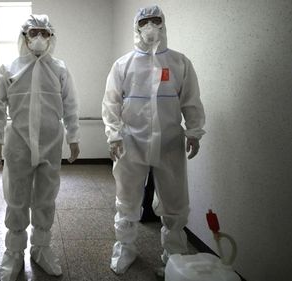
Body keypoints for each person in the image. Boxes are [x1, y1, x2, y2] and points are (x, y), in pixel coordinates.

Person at [101, 5, 206, 274]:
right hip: (130, 142)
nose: (150, 26)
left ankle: (174, 253)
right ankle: (125, 248)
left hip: (170, 142)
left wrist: (194, 131)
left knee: (174, 199)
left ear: (163, 24)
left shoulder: (180, 62)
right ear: (136, 26)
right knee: (127, 198)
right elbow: (111, 102)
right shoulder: (123, 64)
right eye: (144, 21)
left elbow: (191, 100)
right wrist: (113, 135)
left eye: (155, 20)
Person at [0, 15, 80, 281]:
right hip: (18, 143)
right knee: (16, 198)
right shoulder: (9, 68)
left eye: (44, 33)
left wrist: (74, 137)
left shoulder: (60, 69)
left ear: (50, 37)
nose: (39, 38)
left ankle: (41, 248)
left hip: (51, 142)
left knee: (45, 198)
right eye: (33, 32)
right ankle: (14, 252)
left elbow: (71, 105)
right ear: (25, 36)